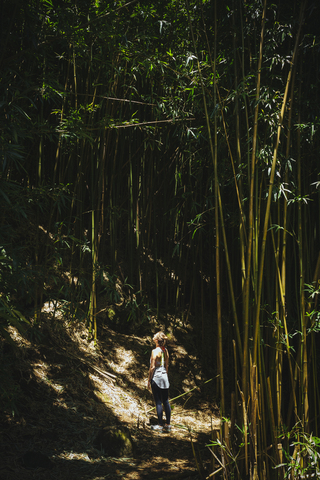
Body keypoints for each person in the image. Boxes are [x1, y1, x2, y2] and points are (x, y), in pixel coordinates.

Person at [147, 331, 171, 432]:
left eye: (154, 336)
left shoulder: (154, 351)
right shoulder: (165, 351)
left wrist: (149, 380)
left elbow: (152, 367)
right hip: (165, 377)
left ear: (157, 340)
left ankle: (160, 425)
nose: (153, 337)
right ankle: (168, 425)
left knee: (158, 402)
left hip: (156, 378)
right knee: (166, 401)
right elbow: (167, 365)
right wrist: (165, 375)